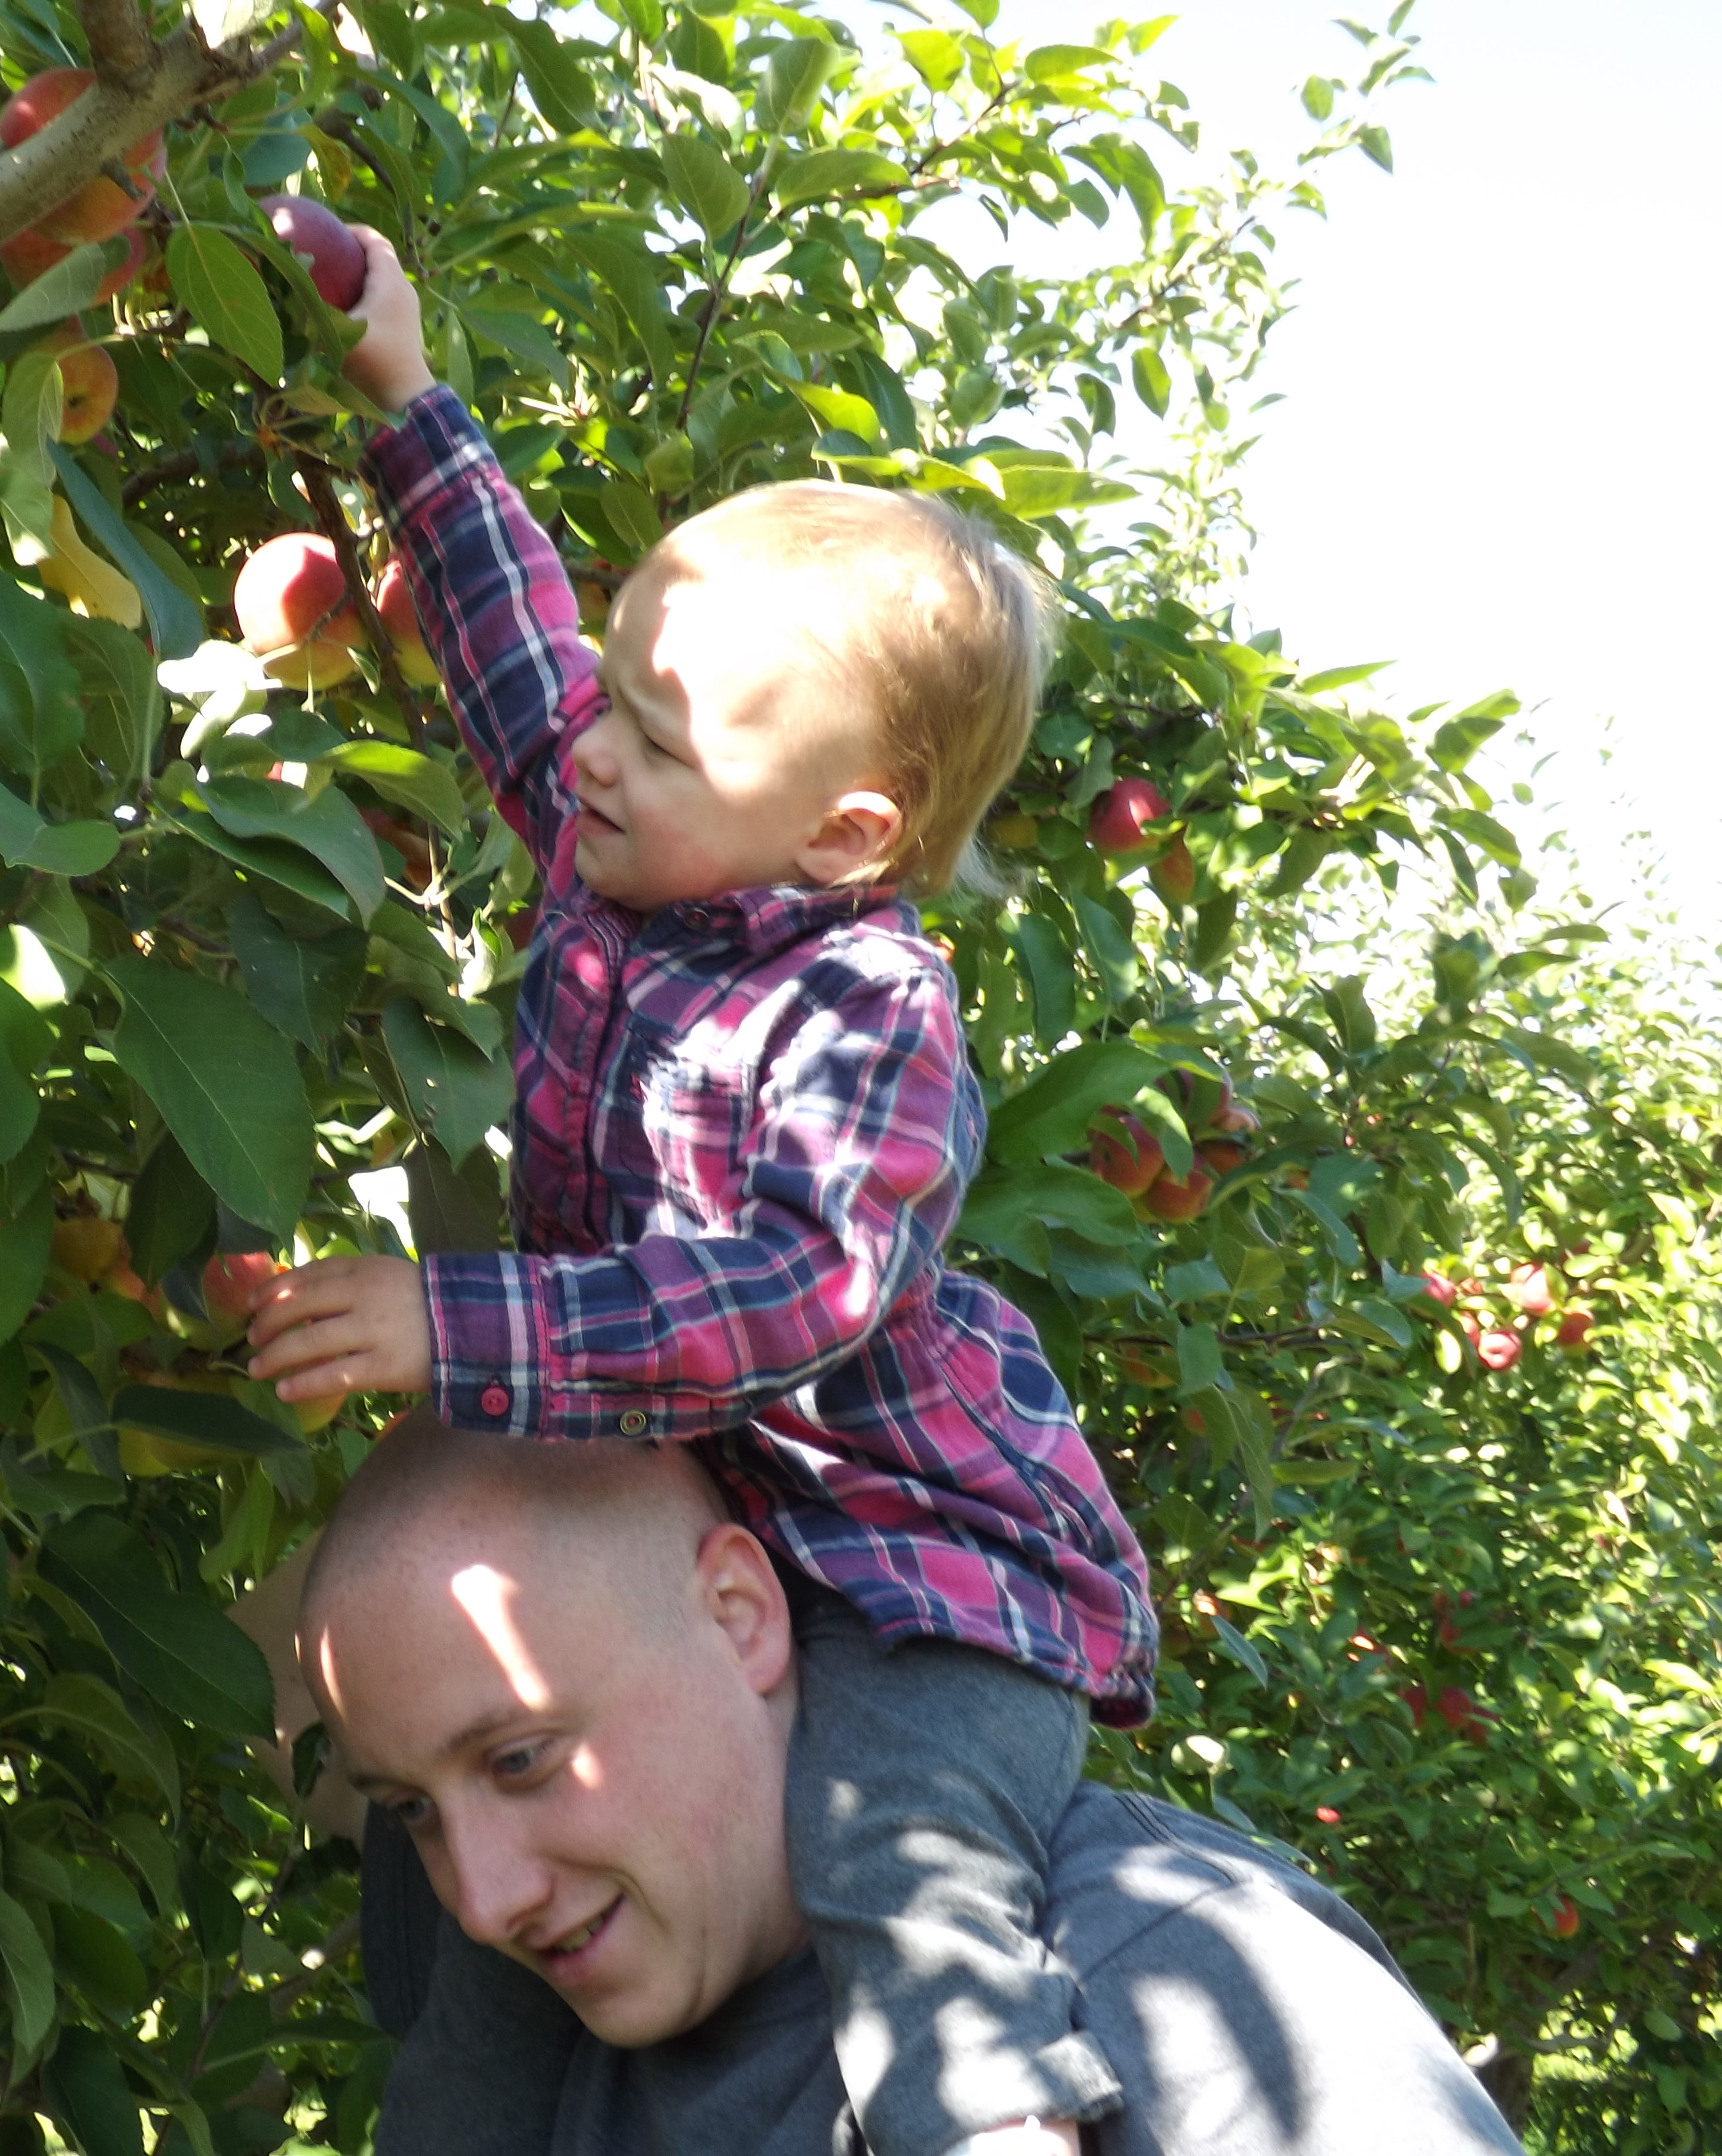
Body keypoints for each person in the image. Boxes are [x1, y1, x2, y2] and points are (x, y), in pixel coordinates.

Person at [245, 229, 1160, 2156]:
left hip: (920, 1583)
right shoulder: (629, 841)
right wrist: (408, 395)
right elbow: (514, 662)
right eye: (620, 699)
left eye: (658, 735)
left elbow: (793, 1290)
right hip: (699, 1555)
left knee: (902, 1883)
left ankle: (1004, 2136)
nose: (592, 745)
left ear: (846, 833)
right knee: (468, 1997)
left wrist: (452, 1322)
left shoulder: (867, 1005)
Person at [296, 1414, 1522, 2156]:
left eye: (521, 1760)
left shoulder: (1186, 1987)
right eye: (414, 1812)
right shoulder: (525, 2070)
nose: (483, 1900)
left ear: (740, 1615)